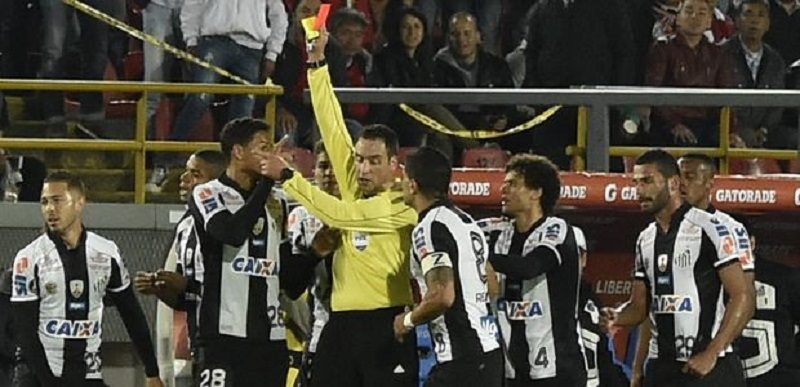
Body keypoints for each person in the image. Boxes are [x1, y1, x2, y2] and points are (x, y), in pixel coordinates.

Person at [259, 27, 419, 387]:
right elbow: (331, 124)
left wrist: (289, 177)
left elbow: (340, 215)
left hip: (386, 323)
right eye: (359, 159)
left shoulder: (400, 205)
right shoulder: (354, 187)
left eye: (374, 161)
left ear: (395, 164)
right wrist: (316, 63)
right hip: (341, 324)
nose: (362, 168)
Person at [600, 149, 754, 387]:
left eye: (647, 181)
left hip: (709, 367)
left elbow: (742, 294)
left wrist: (712, 352)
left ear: (673, 183)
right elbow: (641, 307)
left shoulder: (710, 228)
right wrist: (617, 316)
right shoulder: (645, 238)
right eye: (636, 183)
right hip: (662, 367)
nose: (639, 190)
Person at [9, 172, 163, 386]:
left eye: (57, 200)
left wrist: (152, 371)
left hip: (87, 373)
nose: (50, 209)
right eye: (44, 202)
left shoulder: (107, 253)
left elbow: (132, 314)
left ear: (80, 203)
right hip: (38, 375)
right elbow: (25, 332)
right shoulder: (28, 258)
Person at [188, 118, 289, 387]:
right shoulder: (208, 192)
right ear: (238, 151)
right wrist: (267, 183)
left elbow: (288, 278)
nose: (270, 155)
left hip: (271, 339)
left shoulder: (278, 203)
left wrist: (315, 252)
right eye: (262, 147)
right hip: (223, 337)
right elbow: (230, 234)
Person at [392, 147, 503, 387]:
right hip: (490, 354)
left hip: (461, 360)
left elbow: (442, 296)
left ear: (413, 185)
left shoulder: (429, 227)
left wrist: (407, 321)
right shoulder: (467, 223)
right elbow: (492, 286)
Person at [486, 154, 586, 387]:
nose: (504, 189)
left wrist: (484, 257)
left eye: (513, 184)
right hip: (514, 371)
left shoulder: (557, 231)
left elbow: (531, 266)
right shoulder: (499, 234)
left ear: (536, 192)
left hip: (558, 370)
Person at [134, 150, 226, 382]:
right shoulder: (186, 225)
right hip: (200, 341)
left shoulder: (229, 225)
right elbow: (187, 301)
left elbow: (234, 292)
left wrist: (185, 284)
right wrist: (160, 288)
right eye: (186, 171)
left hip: (230, 344)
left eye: (195, 174)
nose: (183, 179)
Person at [280, 140, 340, 386]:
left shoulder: (367, 211)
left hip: (368, 330)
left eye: (336, 167)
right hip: (322, 329)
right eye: (323, 166)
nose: (330, 174)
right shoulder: (302, 216)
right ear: (313, 170)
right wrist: (315, 253)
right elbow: (292, 285)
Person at [645, 0, 734, 147]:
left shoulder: (717, 53)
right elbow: (654, 91)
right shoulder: (663, 48)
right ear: (678, 18)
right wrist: (673, 124)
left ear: (709, 22)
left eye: (701, 13)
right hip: (670, 123)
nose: (695, 17)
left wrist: (730, 130)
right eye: (689, 11)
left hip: (706, 124)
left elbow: (727, 94)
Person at [735, 216, 800, 386]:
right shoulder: (706, 280)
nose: (730, 249)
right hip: (728, 378)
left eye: (736, 242)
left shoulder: (784, 277)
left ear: (752, 242)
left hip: (781, 378)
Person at [724, 0, 790, 149]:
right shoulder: (722, 54)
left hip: (766, 130)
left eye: (761, 15)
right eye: (748, 14)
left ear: (767, 24)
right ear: (737, 20)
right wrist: (741, 129)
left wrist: (765, 129)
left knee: (792, 139)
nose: (754, 20)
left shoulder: (776, 59)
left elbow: (778, 102)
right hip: (731, 128)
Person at [572, 226, 628, 387]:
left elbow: (603, 358)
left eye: (574, 255)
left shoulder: (591, 303)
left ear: (584, 259)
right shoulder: (539, 297)